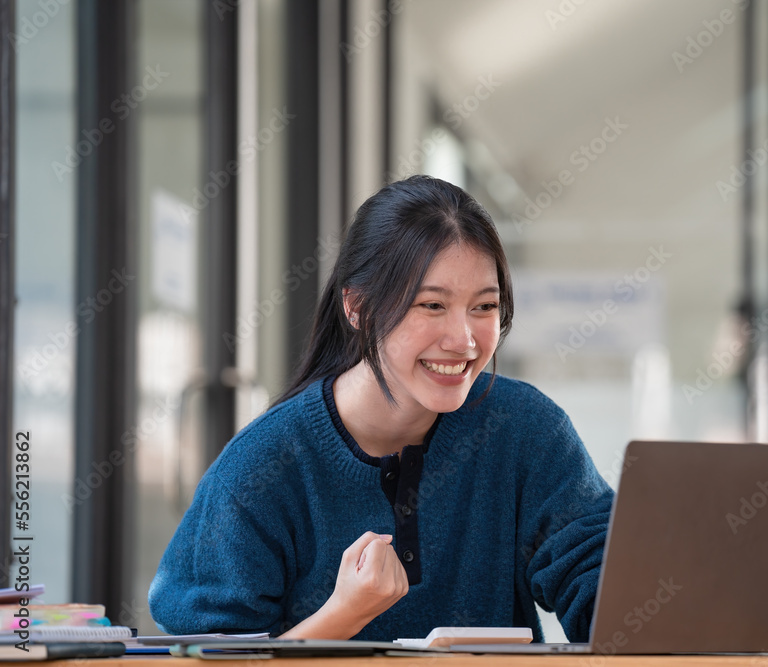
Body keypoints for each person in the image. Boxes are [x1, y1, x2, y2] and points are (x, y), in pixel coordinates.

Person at [148, 175, 613, 643]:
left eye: (484, 306)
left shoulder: (525, 428)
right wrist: (346, 613)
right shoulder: (258, 470)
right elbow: (209, 658)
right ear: (358, 307)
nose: (464, 341)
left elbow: (604, 582)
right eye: (432, 305)